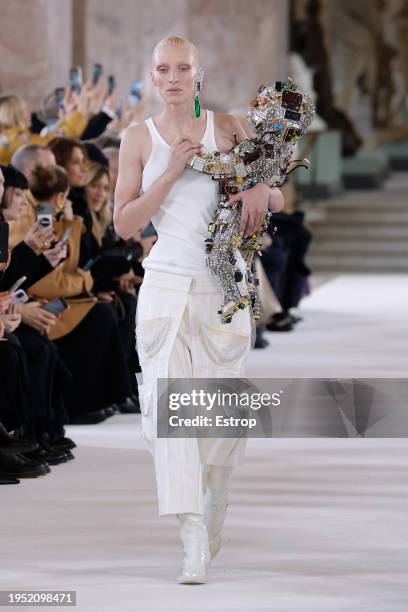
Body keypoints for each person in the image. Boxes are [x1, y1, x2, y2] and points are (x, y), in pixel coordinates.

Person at [114, 35, 284, 584]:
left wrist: (259, 190)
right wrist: (169, 172)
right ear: (152, 75)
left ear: (197, 73)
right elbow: (124, 224)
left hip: (225, 284)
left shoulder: (231, 126)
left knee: (218, 412)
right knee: (168, 416)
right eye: (162, 68)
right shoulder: (137, 138)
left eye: (182, 67)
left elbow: (278, 195)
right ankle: (189, 530)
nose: (172, 77)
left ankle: (214, 494)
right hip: (165, 283)